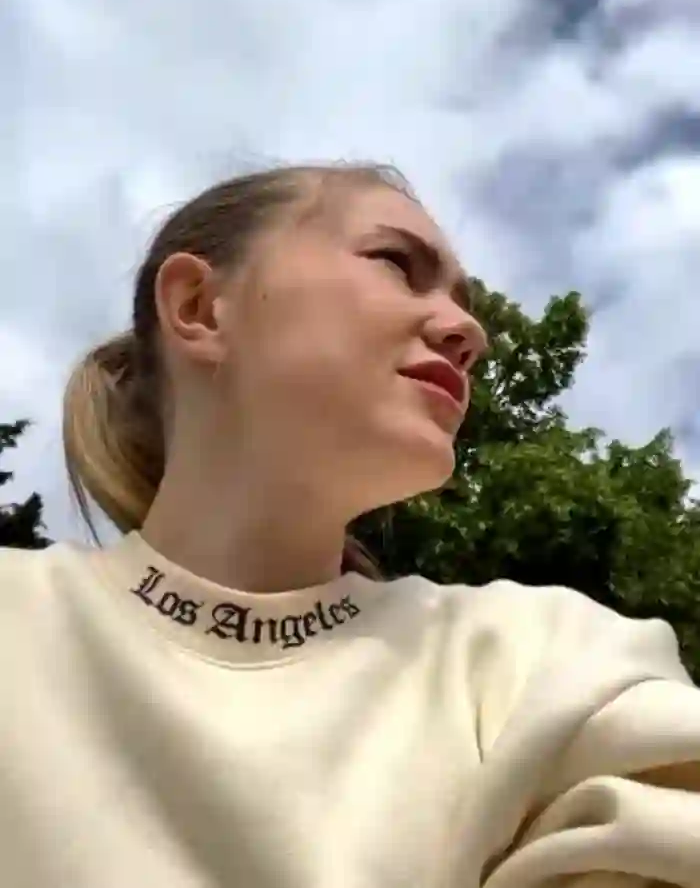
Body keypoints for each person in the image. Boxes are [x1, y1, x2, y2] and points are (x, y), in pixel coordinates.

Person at [1, 162, 698, 888]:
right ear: (200, 307)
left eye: (462, 303)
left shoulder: (544, 660)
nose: (469, 331)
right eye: (396, 263)